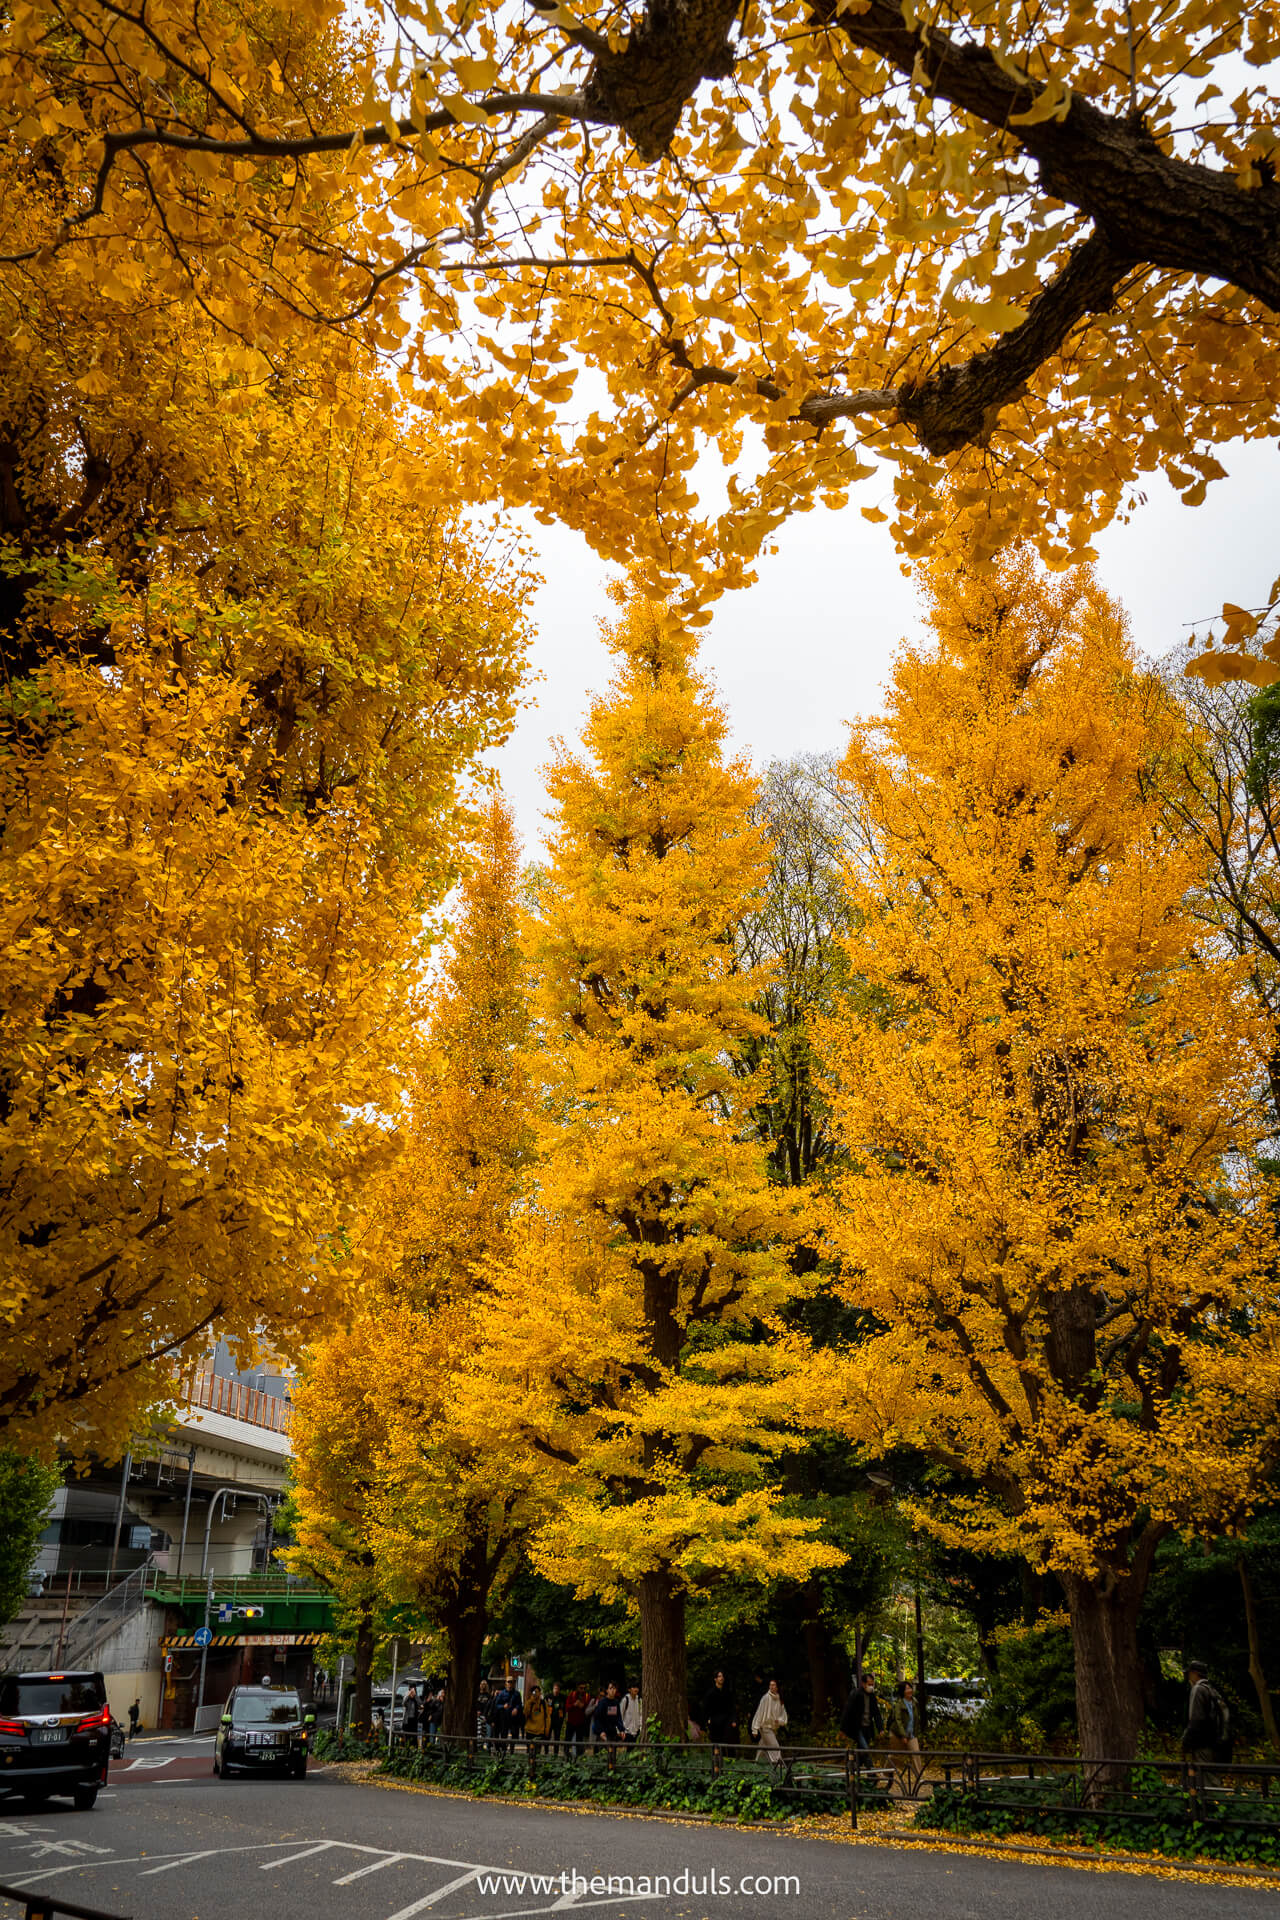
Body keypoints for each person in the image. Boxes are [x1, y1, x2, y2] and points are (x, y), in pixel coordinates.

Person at [1182, 1661, 1233, 1764]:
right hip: (1217, 1744)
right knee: (1213, 1771)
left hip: (1203, 1745)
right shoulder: (1212, 1689)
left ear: (1194, 1674)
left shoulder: (1198, 1689)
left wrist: (1186, 1741)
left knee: (1205, 1772)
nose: (1188, 1677)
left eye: (1189, 1674)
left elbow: (1196, 1719)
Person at [839, 1671, 883, 1765]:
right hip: (857, 1728)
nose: (871, 1686)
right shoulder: (856, 1694)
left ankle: (854, 1766)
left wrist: (880, 1728)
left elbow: (876, 1713)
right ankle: (871, 1771)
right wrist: (843, 1729)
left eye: (872, 1684)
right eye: (869, 1684)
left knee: (861, 1750)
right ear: (863, 1684)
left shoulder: (872, 1696)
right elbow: (847, 1711)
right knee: (865, 1749)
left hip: (867, 1727)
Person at [886, 1680, 921, 1789]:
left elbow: (916, 1719)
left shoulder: (915, 1702)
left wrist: (915, 1732)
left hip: (911, 1734)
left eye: (910, 1688)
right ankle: (885, 1772)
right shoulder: (899, 1704)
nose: (910, 1690)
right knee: (895, 1755)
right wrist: (902, 1735)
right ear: (902, 1691)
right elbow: (898, 1720)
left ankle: (919, 1778)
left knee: (916, 1753)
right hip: (897, 1733)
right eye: (907, 1689)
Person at [751, 1679, 788, 1765]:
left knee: (762, 1746)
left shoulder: (779, 1699)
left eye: (773, 1685)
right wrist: (755, 1729)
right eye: (770, 1685)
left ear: (777, 1687)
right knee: (775, 1746)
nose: (771, 1686)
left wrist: (779, 1721)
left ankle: (757, 1764)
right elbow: (759, 1713)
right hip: (765, 1727)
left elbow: (783, 1714)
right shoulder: (766, 1698)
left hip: (773, 1728)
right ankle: (778, 1766)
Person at [703, 1670, 737, 1747]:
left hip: (726, 1722)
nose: (721, 1678)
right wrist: (707, 1721)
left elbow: (732, 1707)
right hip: (715, 1723)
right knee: (716, 1745)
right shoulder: (710, 1693)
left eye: (722, 1676)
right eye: (719, 1676)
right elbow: (705, 1708)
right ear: (715, 1679)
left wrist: (733, 1719)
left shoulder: (727, 1692)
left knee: (727, 1743)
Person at [591, 1682, 624, 1746]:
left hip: (612, 1733)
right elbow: (597, 1718)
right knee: (601, 1752)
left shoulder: (616, 1702)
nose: (613, 1690)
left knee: (612, 1751)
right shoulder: (602, 1702)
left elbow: (618, 1718)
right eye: (611, 1688)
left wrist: (621, 1730)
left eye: (614, 1688)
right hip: (602, 1734)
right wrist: (601, 1731)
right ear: (607, 1690)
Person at [565, 1683, 590, 1757]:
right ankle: (566, 1755)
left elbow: (589, 1709)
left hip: (581, 1723)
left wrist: (583, 1707)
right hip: (571, 1722)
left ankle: (578, 1757)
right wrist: (574, 1705)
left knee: (579, 1741)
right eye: (581, 1688)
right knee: (567, 1740)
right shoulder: (572, 1695)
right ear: (577, 1688)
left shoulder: (587, 1696)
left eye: (584, 1688)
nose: (583, 1690)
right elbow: (567, 1708)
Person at [524, 1684, 551, 1752]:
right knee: (529, 1751)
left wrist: (547, 1729)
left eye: (537, 1692)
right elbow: (525, 1714)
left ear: (540, 1693)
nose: (536, 1693)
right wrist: (530, 1702)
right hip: (530, 1731)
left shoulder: (543, 1703)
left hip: (540, 1732)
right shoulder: (529, 1702)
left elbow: (547, 1717)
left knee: (538, 1751)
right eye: (534, 1692)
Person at [548, 1681, 566, 1754]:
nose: (556, 1690)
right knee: (547, 1737)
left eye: (557, 1689)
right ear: (553, 1689)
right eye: (555, 1688)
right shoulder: (548, 1696)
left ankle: (555, 1754)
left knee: (557, 1738)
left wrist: (562, 1718)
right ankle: (546, 1753)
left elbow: (565, 1709)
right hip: (549, 1720)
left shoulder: (563, 1697)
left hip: (558, 1721)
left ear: (559, 1690)